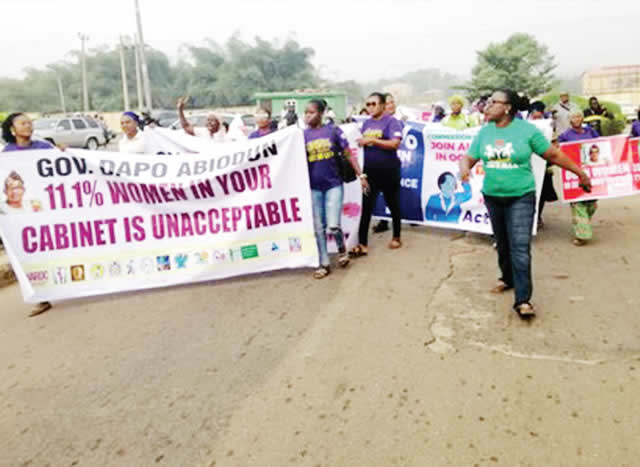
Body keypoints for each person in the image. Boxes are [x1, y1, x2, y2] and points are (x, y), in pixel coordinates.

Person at [460, 90, 591, 318]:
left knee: (520, 247)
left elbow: (554, 155)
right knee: (502, 244)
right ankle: (507, 278)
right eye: (487, 103)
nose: (487, 106)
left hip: (521, 196)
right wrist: (464, 168)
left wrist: (580, 173)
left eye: (493, 102)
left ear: (508, 107)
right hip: (492, 196)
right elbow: (469, 157)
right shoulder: (485, 132)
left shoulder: (526, 131)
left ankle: (523, 300)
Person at [303, 99, 369, 278]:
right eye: (306, 113)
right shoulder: (302, 135)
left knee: (333, 225)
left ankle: (341, 249)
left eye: (311, 112)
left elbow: (348, 154)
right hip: (313, 187)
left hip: (333, 184)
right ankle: (324, 263)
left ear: (321, 113)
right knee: (319, 227)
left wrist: (361, 175)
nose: (307, 116)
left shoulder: (333, 131)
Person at [1, 112, 57, 317]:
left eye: (29, 123)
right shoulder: (6, 155)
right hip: (23, 215)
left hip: (47, 209)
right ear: (13, 130)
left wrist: (62, 153)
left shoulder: (44, 148)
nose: (28, 126)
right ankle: (41, 297)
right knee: (30, 254)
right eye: (23, 123)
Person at [351, 92, 404, 256]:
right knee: (366, 208)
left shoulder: (392, 122)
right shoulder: (365, 124)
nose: (370, 107)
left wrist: (373, 141)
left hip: (389, 171)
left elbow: (395, 144)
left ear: (382, 105)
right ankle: (363, 243)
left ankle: (396, 237)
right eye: (368, 104)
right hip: (370, 173)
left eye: (374, 104)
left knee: (393, 204)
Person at [558, 111, 601, 246]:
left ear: (582, 118)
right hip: (574, 173)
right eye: (573, 117)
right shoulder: (565, 135)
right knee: (578, 202)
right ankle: (582, 235)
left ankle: (582, 222)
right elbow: (559, 151)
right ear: (569, 120)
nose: (576, 119)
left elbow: (602, 144)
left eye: (578, 116)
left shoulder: (591, 132)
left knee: (592, 204)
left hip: (592, 172)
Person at [372, 92, 406, 234]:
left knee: (394, 198)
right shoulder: (375, 123)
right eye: (387, 103)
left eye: (392, 102)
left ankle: (397, 232)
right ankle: (383, 220)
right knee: (382, 195)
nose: (391, 105)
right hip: (382, 165)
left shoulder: (399, 121)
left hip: (399, 163)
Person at [528, 102, 558, 228]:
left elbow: (555, 143)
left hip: (544, 165)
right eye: (534, 116)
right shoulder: (522, 126)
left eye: (539, 116)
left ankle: (537, 216)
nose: (537, 118)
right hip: (529, 165)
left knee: (543, 193)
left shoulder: (549, 126)